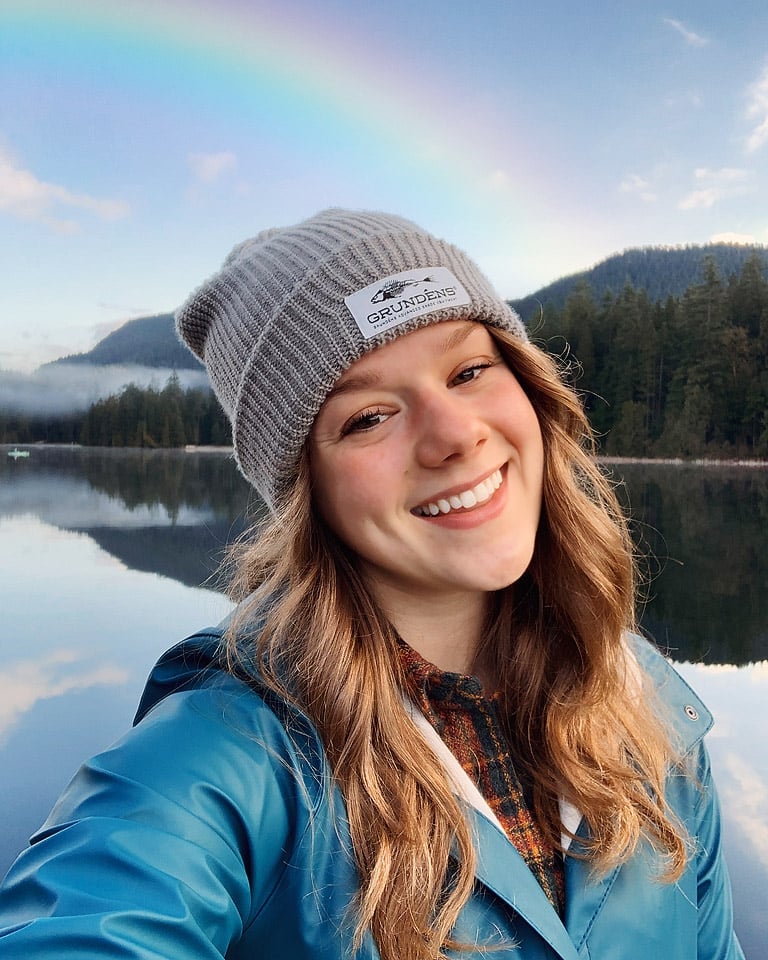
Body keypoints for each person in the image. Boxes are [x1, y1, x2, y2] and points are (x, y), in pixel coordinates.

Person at [0, 209, 744, 959]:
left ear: (530, 387)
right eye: (368, 418)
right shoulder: (231, 755)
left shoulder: (647, 705)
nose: (455, 434)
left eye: (469, 371)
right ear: (306, 490)